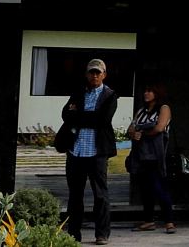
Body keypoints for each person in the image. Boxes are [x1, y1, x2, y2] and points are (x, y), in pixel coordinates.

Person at [61, 58, 118, 245]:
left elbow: (102, 120)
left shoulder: (110, 95)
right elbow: (65, 114)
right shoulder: (78, 91)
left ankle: (102, 234)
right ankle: (73, 234)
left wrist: (78, 116)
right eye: (92, 72)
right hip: (76, 151)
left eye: (98, 72)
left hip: (97, 152)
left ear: (104, 75)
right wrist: (85, 116)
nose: (94, 75)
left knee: (100, 195)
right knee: (75, 195)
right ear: (87, 74)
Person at [128, 83, 175, 233]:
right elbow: (131, 127)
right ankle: (148, 220)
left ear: (157, 93)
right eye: (145, 91)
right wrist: (133, 133)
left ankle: (169, 221)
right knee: (145, 189)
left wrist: (143, 133)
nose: (146, 94)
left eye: (150, 91)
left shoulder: (164, 108)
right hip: (142, 155)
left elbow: (160, 128)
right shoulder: (141, 110)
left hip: (158, 154)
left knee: (160, 187)